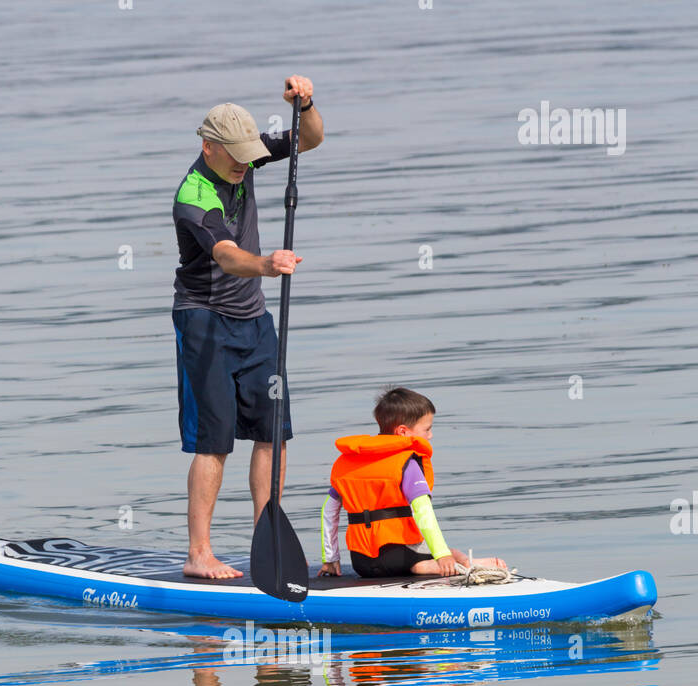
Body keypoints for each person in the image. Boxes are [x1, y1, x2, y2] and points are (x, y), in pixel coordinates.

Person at [172, 77, 324, 580]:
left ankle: (269, 543)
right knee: (214, 441)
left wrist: (306, 104)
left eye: (248, 155)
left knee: (272, 432)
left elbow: (309, 139)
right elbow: (226, 256)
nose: (244, 164)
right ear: (207, 146)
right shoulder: (193, 194)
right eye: (234, 156)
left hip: (256, 324)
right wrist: (268, 264)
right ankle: (200, 554)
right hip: (205, 323)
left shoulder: (246, 156)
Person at [318, 386, 506, 579]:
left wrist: (330, 559)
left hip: (362, 561)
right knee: (448, 555)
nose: (430, 435)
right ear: (403, 431)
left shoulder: (347, 463)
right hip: (399, 557)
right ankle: (466, 564)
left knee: (442, 554)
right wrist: (442, 555)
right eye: (427, 429)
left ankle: (446, 561)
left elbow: (329, 511)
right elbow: (423, 512)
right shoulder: (406, 463)